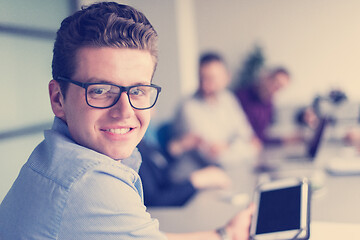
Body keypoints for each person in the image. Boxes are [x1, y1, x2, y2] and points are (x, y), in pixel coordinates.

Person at [0, 2, 253, 240]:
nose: (124, 111)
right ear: (58, 99)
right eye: (100, 90)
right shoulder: (88, 183)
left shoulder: (57, 159)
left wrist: (225, 233)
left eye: (138, 90)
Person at [168, 52, 261, 182]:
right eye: (202, 78)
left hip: (226, 173)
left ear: (227, 77)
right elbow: (214, 157)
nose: (205, 84)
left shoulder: (228, 99)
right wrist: (244, 148)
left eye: (211, 78)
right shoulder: (188, 106)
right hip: (191, 182)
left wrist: (229, 146)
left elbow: (250, 138)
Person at [138, 138, 231, 207]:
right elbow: (153, 202)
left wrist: (178, 147)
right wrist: (197, 180)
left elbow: (161, 170)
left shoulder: (144, 143)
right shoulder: (135, 152)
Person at [235, 67, 301, 146]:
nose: (275, 88)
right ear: (267, 78)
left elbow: (260, 138)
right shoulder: (241, 96)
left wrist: (283, 140)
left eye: (280, 87)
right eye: (275, 82)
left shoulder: (269, 105)